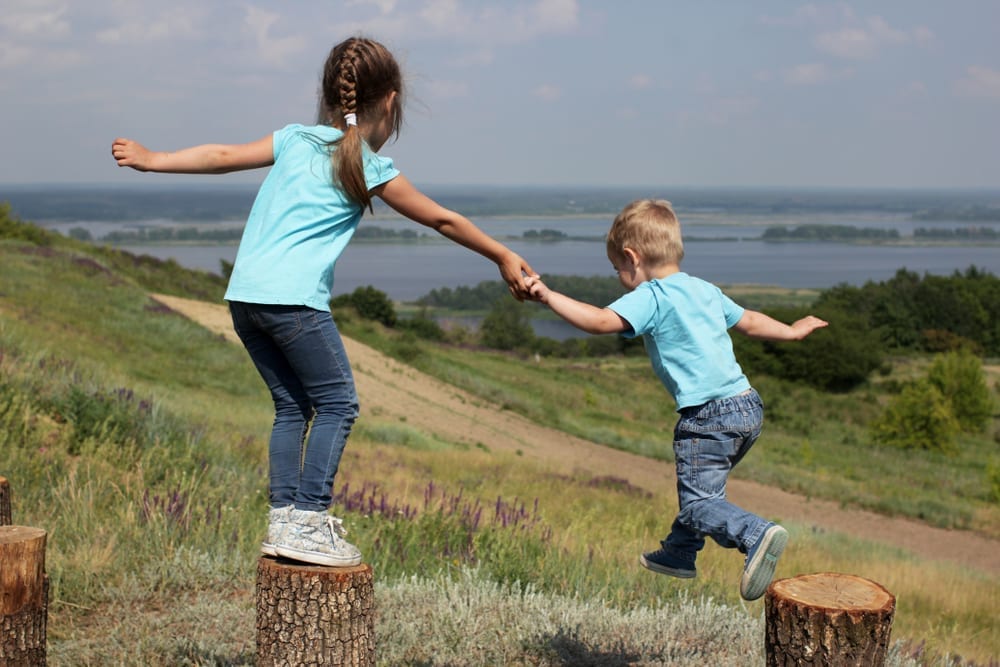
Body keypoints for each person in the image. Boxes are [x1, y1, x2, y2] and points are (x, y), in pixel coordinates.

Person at [112, 36, 535, 568]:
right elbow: (442, 219)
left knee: (292, 406)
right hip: (294, 304)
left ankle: (284, 519)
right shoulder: (368, 166)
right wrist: (501, 255)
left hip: (245, 299)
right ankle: (309, 520)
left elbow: (221, 157)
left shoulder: (293, 140)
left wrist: (154, 160)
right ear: (391, 102)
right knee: (338, 403)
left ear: (331, 93)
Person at [525, 199, 827, 601]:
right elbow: (751, 321)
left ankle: (755, 534)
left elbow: (597, 321)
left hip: (707, 418)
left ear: (632, 257)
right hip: (747, 407)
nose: (619, 277)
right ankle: (680, 552)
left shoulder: (652, 296)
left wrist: (547, 295)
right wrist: (791, 331)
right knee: (704, 496)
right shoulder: (704, 289)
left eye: (617, 268)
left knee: (698, 504)